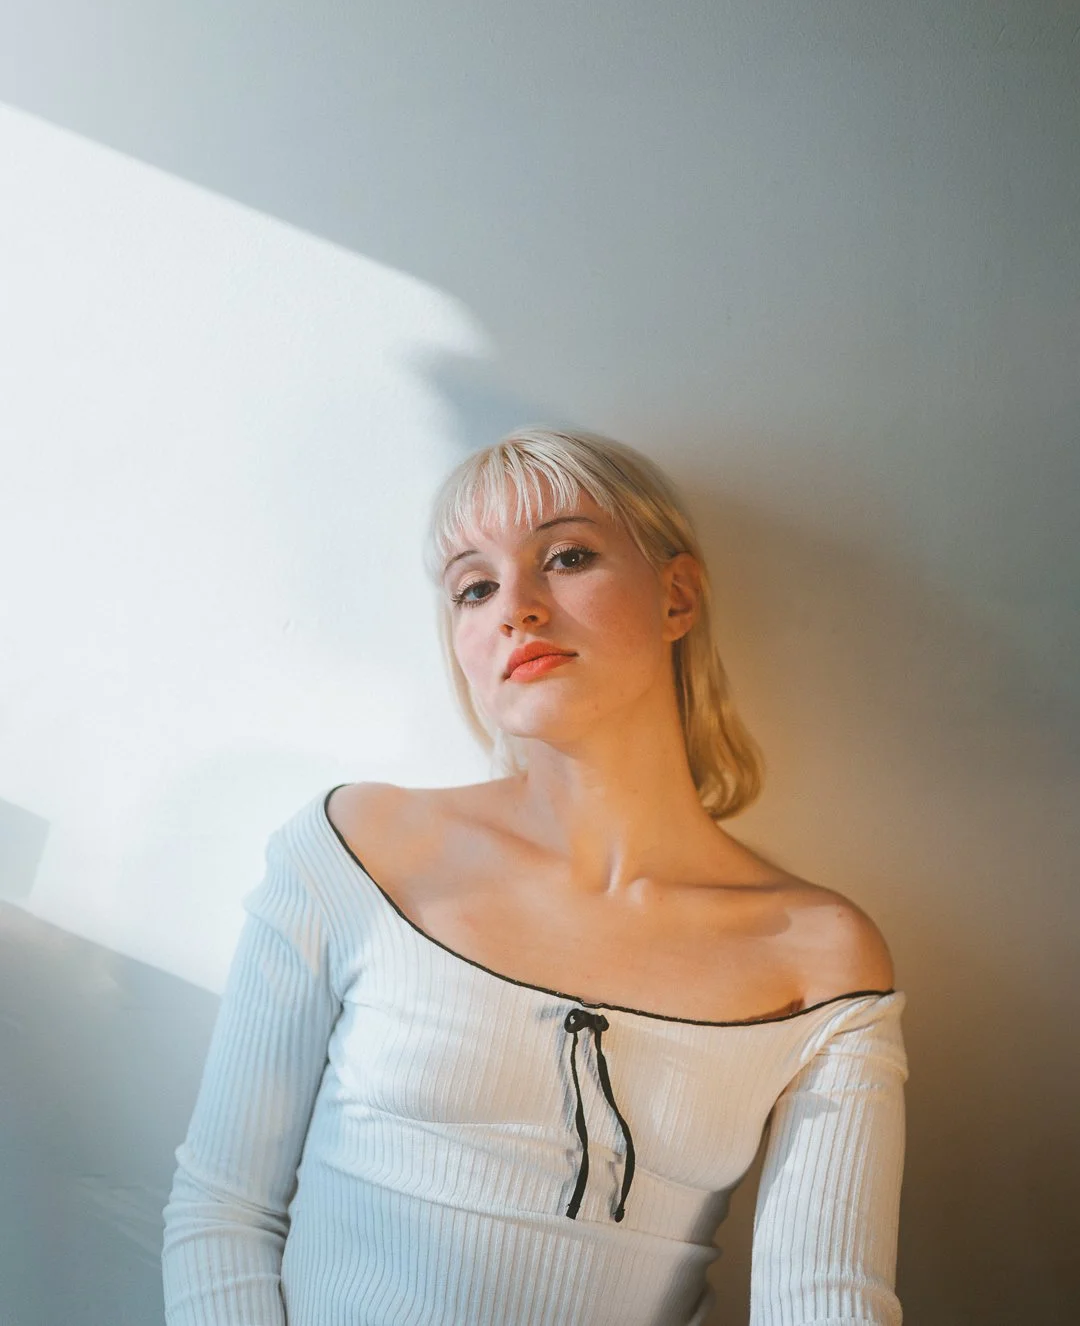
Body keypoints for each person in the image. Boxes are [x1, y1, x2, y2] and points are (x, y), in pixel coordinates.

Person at [161, 425, 908, 1325]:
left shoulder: (819, 956)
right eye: (475, 586)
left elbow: (824, 1303)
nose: (515, 605)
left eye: (565, 556)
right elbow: (223, 1212)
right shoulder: (358, 852)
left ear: (677, 596)